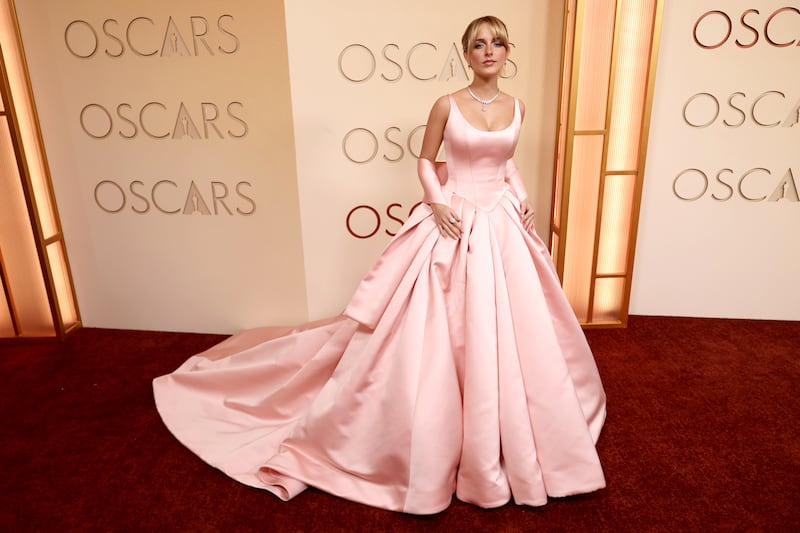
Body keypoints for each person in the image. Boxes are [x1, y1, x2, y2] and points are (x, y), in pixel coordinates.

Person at [153, 15, 606, 515]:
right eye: (478, 44)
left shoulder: (517, 106)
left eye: (497, 42)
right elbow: (425, 159)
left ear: (507, 50)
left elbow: (507, 164)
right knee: (437, 330)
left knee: (515, 327)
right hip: (452, 217)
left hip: (501, 222)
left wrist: (522, 200)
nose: (488, 51)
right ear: (466, 53)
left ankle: (511, 430)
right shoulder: (446, 104)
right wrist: (436, 203)